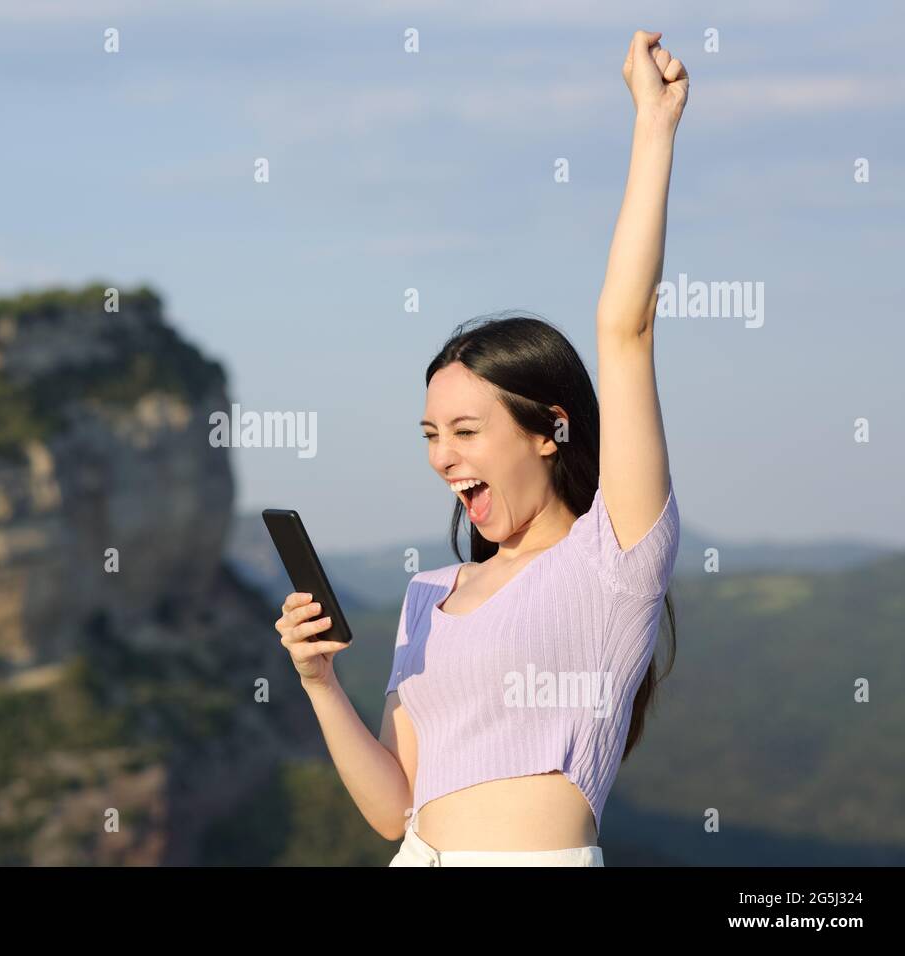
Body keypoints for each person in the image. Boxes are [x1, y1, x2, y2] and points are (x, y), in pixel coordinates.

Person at [276, 29, 688, 866]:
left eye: (468, 431)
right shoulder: (429, 593)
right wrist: (318, 683)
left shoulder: (613, 560)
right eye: (432, 435)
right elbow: (397, 809)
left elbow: (626, 326)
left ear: (549, 430)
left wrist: (654, 122)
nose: (443, 456)